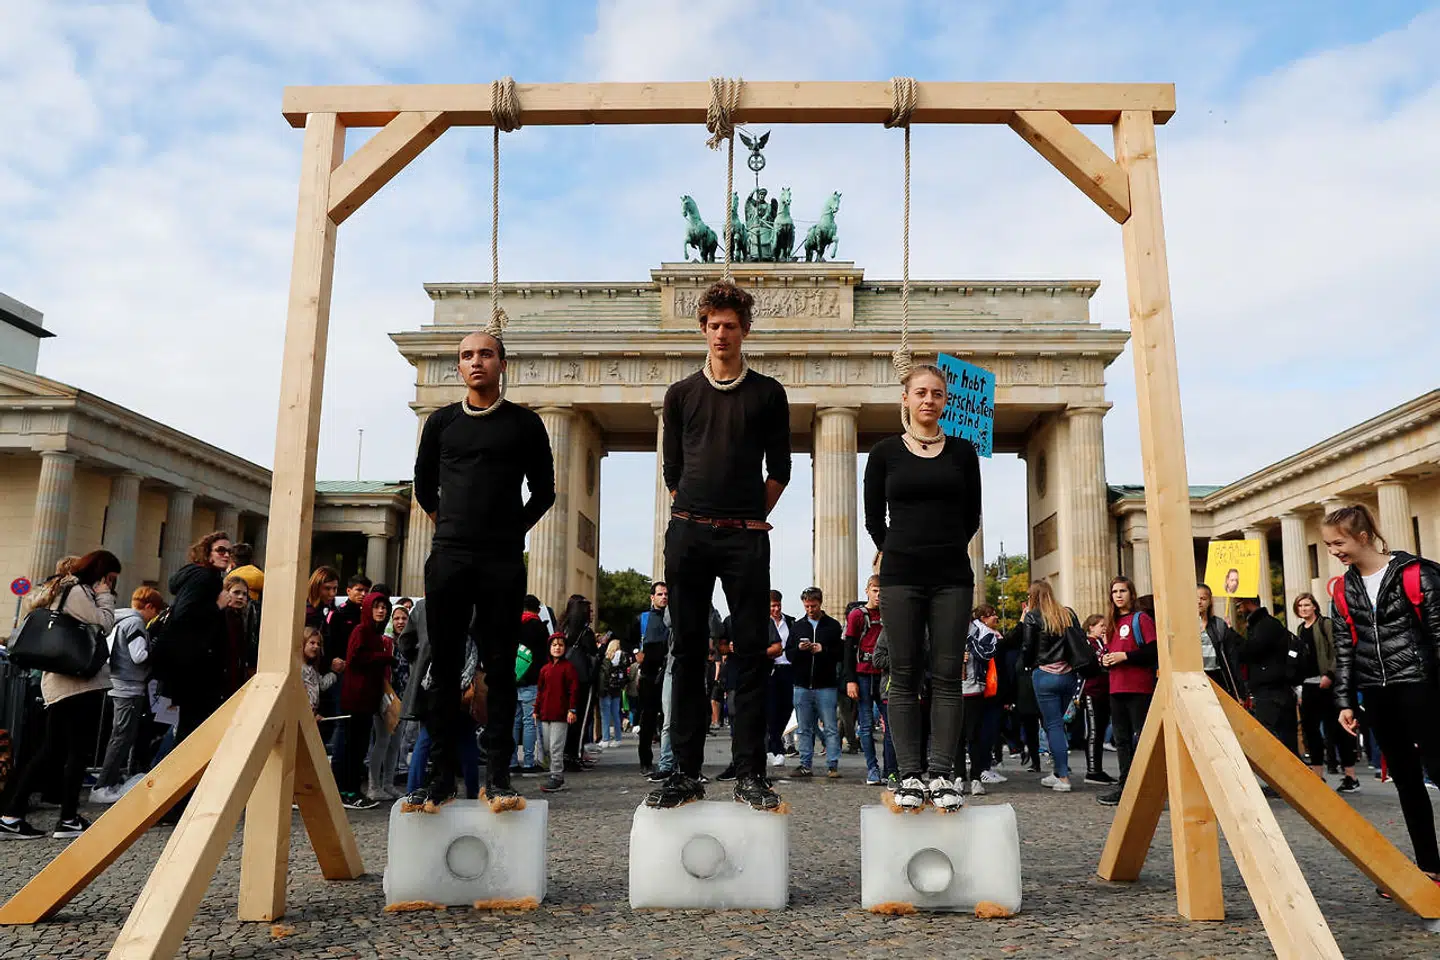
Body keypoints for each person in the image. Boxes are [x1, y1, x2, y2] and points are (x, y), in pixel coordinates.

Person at [648, 279, 791, 811]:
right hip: (689, 533)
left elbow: (780, 470)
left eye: (730, 325)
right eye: (713, 325)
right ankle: (683, 771)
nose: (721, 334)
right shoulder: (680, 395)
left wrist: (750, 519)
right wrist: (696, 517)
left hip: (744, 538)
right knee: (687, 651)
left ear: (745, 330)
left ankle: (750, 772)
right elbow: (673, 471)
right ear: (703, 330)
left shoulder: (768, 394)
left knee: (750, 653)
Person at [407, 328, 556, 812]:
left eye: (486, 354)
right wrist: (451, 526)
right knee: (444, 667)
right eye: (467, 355)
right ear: (458, 367)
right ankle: (439, 778)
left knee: (500, 667)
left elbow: (545, 491)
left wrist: (511, 530)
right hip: (449, 556)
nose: (477, 362)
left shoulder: (526, 424)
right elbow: (423, 486)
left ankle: (499, 778)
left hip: (501, 559)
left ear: (502, 364)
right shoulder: (441, 423)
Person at [863, 363, 982, 811]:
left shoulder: (964, 453)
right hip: (901, 577)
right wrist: (899, 549)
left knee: (948, 676)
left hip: (952, 577)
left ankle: (943, 774)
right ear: (906, 399)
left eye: (936, 393)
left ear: (945, 401)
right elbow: (873, 518)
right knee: (903, 675)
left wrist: (943, 548)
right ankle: (910, 774)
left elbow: (972, 515)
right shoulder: (884, 453)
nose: (928, 400)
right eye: (920, 393)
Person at [1327, 504, 1440, 886]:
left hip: (1421, 687)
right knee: (1406, 781)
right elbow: (1344, 649)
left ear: (1363, 537)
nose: (1334, 551)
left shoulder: (1417, 574)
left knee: (1439, 770)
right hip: (1377, 693)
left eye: (1338, 543)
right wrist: (1345, 701)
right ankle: (1430, 867)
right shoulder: (1342, 589)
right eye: (1328, 545)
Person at [1, 550, 122, 840]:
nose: (110, 584)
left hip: (64, 683)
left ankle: (17, 816)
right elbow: (104, 623)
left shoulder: (65, 589)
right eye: (110, 578)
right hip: (75, 684)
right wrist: (105, 596)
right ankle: (61, 818)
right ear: (101, 573)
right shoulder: (78, 592)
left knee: (54, 749)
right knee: (69, 752)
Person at [91, 586, 167, 802]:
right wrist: (156, 648)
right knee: (122, 737)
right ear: (149, 606)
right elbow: (139, 655)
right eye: (156, 611)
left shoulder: (121, 620)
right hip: (129, 686)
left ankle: (109, 780)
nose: (155, 617)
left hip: (119, 683)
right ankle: (103, 785)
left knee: (120, 736)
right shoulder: (135, 622)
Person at [160, 532, 233, 748]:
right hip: (196, 667)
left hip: (187, 665)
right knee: (192, 729)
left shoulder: (203, 576)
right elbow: (184, 613)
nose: (226, 555)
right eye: (221, 550)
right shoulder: (205, 577)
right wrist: (217, 606)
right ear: (207, 553)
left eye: (229, 551)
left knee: (187, 726)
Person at [1097, 576, 1157, 806]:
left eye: (1122, 591)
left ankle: (1147, 788)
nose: (1118, 595)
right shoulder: (1111, 623)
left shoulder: (1141, 619)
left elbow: (1153, 651)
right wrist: (1105, 660)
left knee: (1141, 739)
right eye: (1115, 592)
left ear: (1131, 593)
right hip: (1116, 687)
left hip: (1138, 687)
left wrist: (1126, 656)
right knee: (1121, 741)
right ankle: (1125, 787)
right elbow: (1109, 651)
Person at [1292, 591, 1358, 792]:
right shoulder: (1300, 629)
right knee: (1311, 731)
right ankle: (1317, 775)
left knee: (1336, 730)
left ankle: (1350, 776)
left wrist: (1330, 674)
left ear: (1314, 606)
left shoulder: (1325, 624)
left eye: (1307, 605)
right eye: (1300, 606)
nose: (1303, 609)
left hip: (1328, 684)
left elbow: (1338, 651)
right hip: (1308, 685)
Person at [1021, 579, 1082, 793]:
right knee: (1056, 724)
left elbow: (1027, 647)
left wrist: (1027, 665)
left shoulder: (1033, 616)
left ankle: (1063, 777)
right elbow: (1079, 640)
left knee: (1052, 724)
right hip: (1068, 675)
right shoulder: (1068, 614)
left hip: (1045, 675)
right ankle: (1057, 772)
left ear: (1033, 596)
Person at [335, 592, 394, 809]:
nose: (381, 611)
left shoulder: (376, 635)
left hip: (367, 700)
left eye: (384, 607)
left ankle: (352, 790)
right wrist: (383, 657)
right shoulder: (361, 631)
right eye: (376, 607)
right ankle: (346, 792)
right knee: (351, 748)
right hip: (355, 699)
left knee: (359, 748)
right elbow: (355, 659)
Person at [1234, 593, 1299, 762]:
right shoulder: (1262, 624)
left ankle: (1287, 774)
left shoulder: (1265, 625)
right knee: (1281, 739)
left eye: (1239, 605)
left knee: (1274, 739)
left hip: (1272, 692)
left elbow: (1251, 651)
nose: (1238, 610)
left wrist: (1231, 634)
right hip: (1274, 690)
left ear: (1248, 603)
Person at [786, 587, 843, 779]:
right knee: (804, 728)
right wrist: (799, 649)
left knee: (830, 727)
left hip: (826, 684)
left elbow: (840, 653)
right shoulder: (797, 626)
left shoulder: (833, 626)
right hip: (802, 684)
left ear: (820, 603)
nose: (810, 609)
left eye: (814, 606)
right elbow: (789, 654)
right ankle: (805, 764)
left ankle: (832, 765)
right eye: (807, 606)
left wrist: (822, 649)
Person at [844, 575, 886, 785]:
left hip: (885, 674)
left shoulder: (890, 613)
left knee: (891, 725)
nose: (878, 595)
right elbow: (848, 649)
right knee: (866, 724)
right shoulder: (857, 615)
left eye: (881, 591)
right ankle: (872, 768)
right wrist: (850, 680)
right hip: (863, 675)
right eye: (875, 590)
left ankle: (891, 768)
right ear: (867, 590)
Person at [960, 605, 1001, 796]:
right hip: (951, 690)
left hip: (974, 688)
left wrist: (969, 641)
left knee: (974, 735)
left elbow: (986, 654)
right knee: (956, 737)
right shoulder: (945, 629)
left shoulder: (985, 633)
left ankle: (976, 776)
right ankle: (959, 776)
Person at [633, 582, 670, 777]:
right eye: (660, 594)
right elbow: (627, 639)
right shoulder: (642, 618)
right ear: (652, 597)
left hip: (669, 672)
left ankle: (668, 761)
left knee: (668, 719)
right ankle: (645, 761)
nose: (664, 597)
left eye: (666, 594)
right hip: (649, 674)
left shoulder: (673, 617)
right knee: (648, 719)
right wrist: (635, 653)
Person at [535, 633, 579, 794]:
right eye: (554, 645)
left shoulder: (568, 668)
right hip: (545, 714)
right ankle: (554, 773)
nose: (557, 648)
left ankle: (557, 776)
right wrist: (536, 709)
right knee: (547, 747)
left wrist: (572, 709)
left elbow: (573, 691)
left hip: (561, 714)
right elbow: (540, 691)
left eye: (560, 645)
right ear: (549, 648)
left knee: (556, 747)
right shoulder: (544, 669)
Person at [513, 595, 550, 773]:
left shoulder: (513, 625)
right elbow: (545, 655)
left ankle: (512, 761)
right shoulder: (539, 627)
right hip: (532, 679)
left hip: (514, 678)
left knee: (514, 722)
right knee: (529, 722)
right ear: (538, 609)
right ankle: (528, 762)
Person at [561, 595, 599, 766]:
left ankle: (564, 753)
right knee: (582, 718)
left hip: (565, 677)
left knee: (567, 717)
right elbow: (593, 654)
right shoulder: (585, 633)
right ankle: (575, 754)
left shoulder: (563, 629)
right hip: (583, 678)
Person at [1078, 614, 1114, 786]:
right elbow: (1100, 660)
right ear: (1091, 627)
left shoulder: (1100, 642)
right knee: (1094, 731)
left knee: (1100, 730)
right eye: (1101, 625)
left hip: (1104, 690)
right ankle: (1092, 770)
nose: (1104, 628)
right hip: (1092, 691)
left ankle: (1097, 769)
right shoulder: (1088, 643)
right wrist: (1106, 645)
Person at [765, 590, 797, 769]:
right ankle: (775, 746)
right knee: (771, 709)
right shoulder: (763, 623)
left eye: (778, 606)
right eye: (772, 606)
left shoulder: (790, 622)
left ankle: (775, 740)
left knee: (787, 708)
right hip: (771, 669)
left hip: (788, 668)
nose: (776, 609)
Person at [1197, 584, 1245, 701]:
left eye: (1203, 598)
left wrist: (1239, 691)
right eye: (1195, 598)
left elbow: (1232, 659)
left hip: (1217, 675)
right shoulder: (1185, 626)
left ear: (1209, 601)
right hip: (1196, 677)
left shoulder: (1219, 625)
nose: (1199, 602)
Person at [300, 625, 337, 719]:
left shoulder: (312, 669)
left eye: (318, 644)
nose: (316, 646)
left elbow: (321, 685)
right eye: (312, 643)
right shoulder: (298, 669)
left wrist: (334, 672)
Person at [600, 638, 629, 747]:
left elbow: (604, 674)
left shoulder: (607, 659)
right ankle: (618, 738)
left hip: (606, 689)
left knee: (605, 715)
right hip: (617, 689)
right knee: (616, 714)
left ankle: (605, 738)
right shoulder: (622, 658)